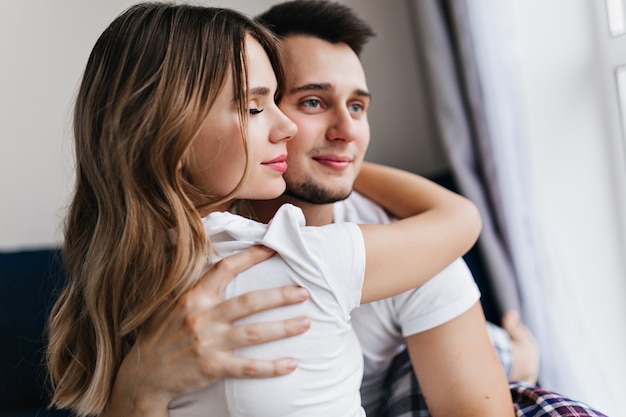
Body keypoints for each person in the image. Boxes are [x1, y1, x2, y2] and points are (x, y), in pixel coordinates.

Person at [46, 3, 512, 417]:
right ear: (172, 132)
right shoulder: (287, 258)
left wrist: (338, 160)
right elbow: (461, 219)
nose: (286, 127)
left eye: (357, 107)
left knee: (502, 361)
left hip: (421, 367)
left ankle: (512, 351)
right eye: (259, 106)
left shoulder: (115, 271)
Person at [252, 2, 605, 417]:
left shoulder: (409, 244)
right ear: (256, 110)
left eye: (357, 107)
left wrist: (332, 160)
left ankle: (517, 359)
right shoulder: (202, 237)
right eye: (313, 102)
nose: (348, 131)